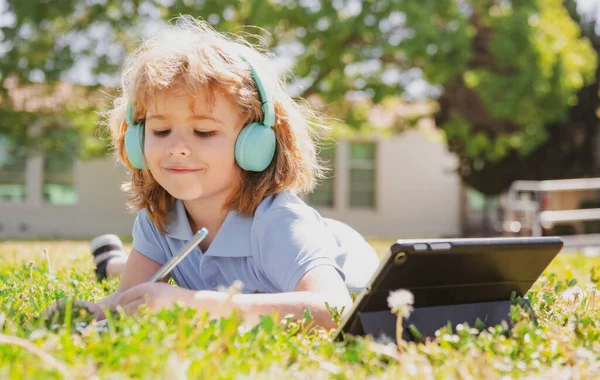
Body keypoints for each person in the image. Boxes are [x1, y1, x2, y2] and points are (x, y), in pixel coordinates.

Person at [47, 16, 380, 330]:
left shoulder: (280, 224)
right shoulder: (158, 217)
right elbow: (129, 300)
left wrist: (194, 303)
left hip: (338, 247)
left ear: (255, 143)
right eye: (161, 131)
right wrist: (95, 311)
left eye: (203, 132)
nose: (175, 147)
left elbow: (334, 309)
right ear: (137, 139)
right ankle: (111, 263)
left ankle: (109, 262)